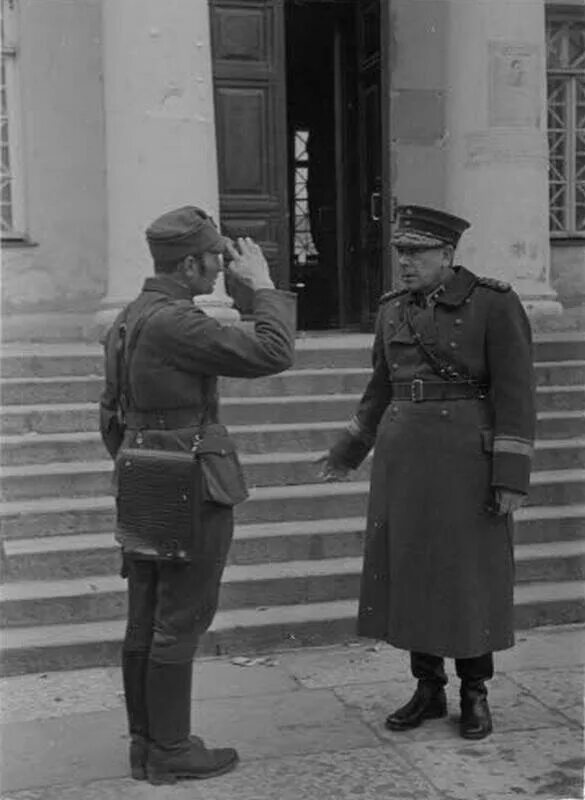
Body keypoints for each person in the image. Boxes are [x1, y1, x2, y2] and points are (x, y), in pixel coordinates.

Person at [318, 205, 536, 740]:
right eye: (401, 253)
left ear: (448, 254)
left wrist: (510, 475)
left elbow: (516, 394)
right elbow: (379, 388)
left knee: (469, 575)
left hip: (467, 459)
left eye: (417, 253)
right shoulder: (393, 310)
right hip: (405, 459)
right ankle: (428, 688)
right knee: (412, 570)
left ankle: (475, 691)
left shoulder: (494, 303)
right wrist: (348, 451)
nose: (406, 264)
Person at [99, 206, 296, 784]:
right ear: (189, 264)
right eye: (214, 259)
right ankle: (171, 749)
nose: (220, 268)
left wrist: (139, 460)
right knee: (180, 618)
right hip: (187, 479)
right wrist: (261, 287)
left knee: (147, 617)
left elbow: (109, 416)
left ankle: (146, 743)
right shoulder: (176, 322)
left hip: (143, 473)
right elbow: (274, 352)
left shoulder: (130, 317)